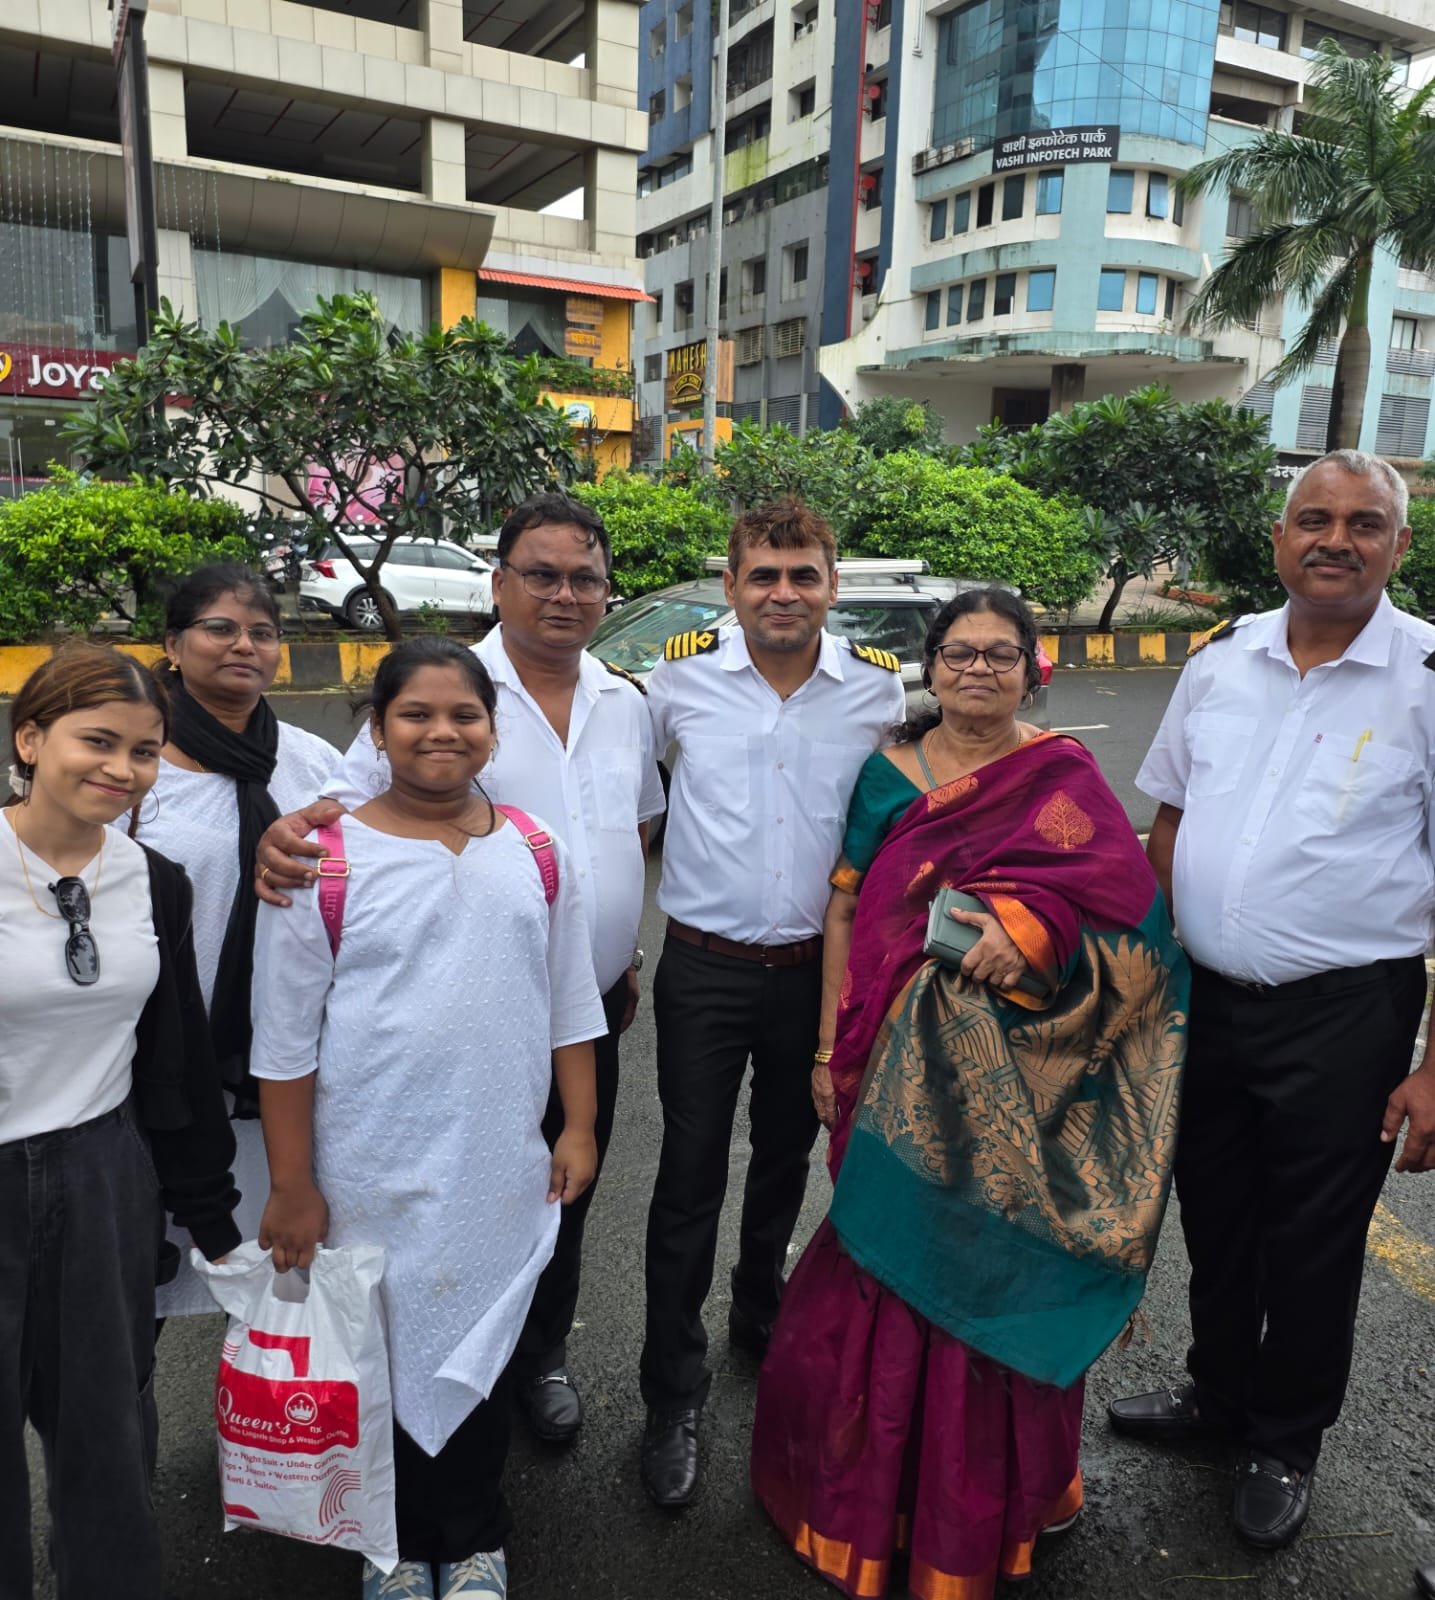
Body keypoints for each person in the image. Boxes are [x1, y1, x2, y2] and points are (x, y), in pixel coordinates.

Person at [749, 588, 1188, 1597]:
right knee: (882, 1250)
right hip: (889, 1074)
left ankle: (990, 1500)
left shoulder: (1061, 777)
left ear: (1033, 670)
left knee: (994, 1268)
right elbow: (846, 913)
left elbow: (1130, 924)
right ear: (931, 665)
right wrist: (826, 1049)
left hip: (1026, 1090)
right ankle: (869, 1499)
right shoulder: (886, 774)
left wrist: (1030, 928)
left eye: (999, 654)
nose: (977, 670)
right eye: (958, 652)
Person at [256, 493, 664, 1443]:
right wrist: (281, 839)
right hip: (436, 1026)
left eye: (585, 578)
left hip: (577, 1008)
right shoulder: (453, 689)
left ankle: (534, 1357)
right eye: (541, 574)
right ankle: (419, 1380)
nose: (564, 594)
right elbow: (339, 817)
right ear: (499, 582)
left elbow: (633, 832)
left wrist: (620, 945)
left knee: (557, 1193)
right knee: (436, 1199)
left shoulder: (626, 702)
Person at [1109, 449, 1435, 1550]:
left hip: (1344, 1016)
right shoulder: (1220, 660)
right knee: (1216, 1214)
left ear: (1398, 544)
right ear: (1279, 537)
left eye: (1362, 523)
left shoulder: (1426, 677)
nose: (1335, 540)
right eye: (1313, 519)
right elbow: (1168, 822)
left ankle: (1283, 1440)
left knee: (1311, 1242)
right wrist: (1156, 976)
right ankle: (1217, 1397)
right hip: (1205, 1000)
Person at [250, 636, 604, 1600]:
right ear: (377, 729)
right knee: (381, 1349)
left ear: (492, 730)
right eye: (415, 714)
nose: (440, 732)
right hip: (368, 1158)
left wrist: (577, 1125)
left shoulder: (534, 849)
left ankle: (477, 1536)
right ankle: (394, 1546)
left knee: (481, 1338)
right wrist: (292, 1184)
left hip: (496, 1154)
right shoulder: (322, 860)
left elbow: (570, 999)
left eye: (463, 715)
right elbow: (284, 1044)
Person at [638, 500, 907, 1509]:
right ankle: (672, 1390)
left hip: (815, 975)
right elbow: (628, 805)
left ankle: (760, 1308)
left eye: (802, 575)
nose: (782, 594)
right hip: (702, 967)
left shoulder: (876, 690)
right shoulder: (676, 680)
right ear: (730, 586)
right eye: (763, 575)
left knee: (788, 1153)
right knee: (688, 1173)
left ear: (832, 585)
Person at [0, 644, 240, 1600]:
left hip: (103, 1176)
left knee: (108, 1434)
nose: (122, 769)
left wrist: (210, 1212)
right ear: (30, 739)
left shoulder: (155, 879)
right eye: (96, 741)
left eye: (144, 751)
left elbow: (175, 1056)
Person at [128, 564, 338, 1320]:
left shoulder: (314, 763)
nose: (244, 645)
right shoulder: (136, 767)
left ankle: (260, 1394)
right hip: (157, 1052)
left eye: (262, 632)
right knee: (141, 1278)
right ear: (173, 645)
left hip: (279, 1054)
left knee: (274, 1278)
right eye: (220, 628)